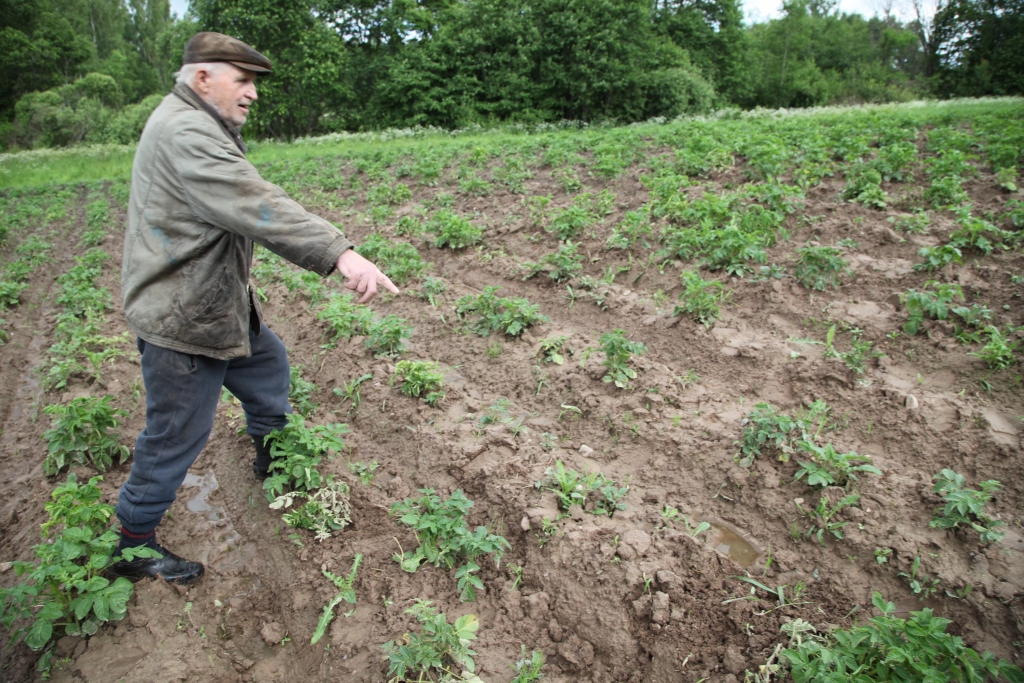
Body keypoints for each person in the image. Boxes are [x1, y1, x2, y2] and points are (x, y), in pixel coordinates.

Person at [106, 32, 398, 585]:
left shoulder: (193, 120)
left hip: (212, 303)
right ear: (202, 79)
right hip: (182, 315)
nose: (252, 94)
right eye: (241, 81)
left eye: (253, 83)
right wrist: (341, 254)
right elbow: (256, 203)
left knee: (267, 367)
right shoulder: (186, 131)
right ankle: (131, 543)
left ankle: (272, 458)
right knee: (176, 434)